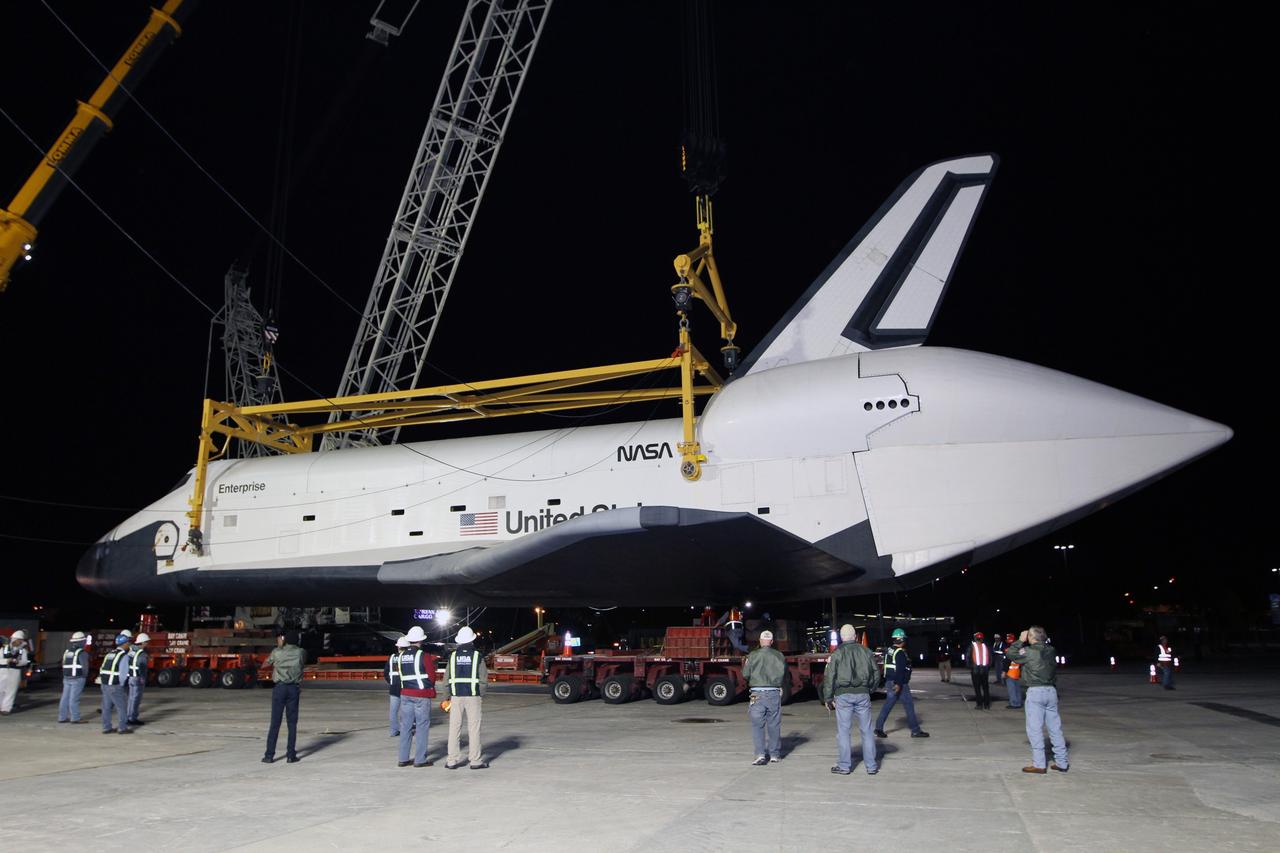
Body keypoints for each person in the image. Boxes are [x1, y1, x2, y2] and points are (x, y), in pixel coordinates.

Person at [1007, 626, 1068, 773]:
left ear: (1031, 637)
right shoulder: (1051, 650)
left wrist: (1020, 641)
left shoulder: (1028, 651)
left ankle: (1039, 764)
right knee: (1055, 729)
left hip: (1036, 691)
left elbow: (1011, 654)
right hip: (1051, 691)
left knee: (1034, 729)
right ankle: (1062, 762)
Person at [822, 624, 879, 776]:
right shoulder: (865, 651)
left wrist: (828, 697)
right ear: (855, 637)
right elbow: (876, 673)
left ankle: (845, 766)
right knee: (867, 731)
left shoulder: (837, 653)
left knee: (843, 732)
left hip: (843, 696)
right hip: (863, 694)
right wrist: (870, 689)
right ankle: (871, 766)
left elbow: (830, 677)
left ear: (841, 638)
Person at [441, 625, 489, 770]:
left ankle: (452, 760)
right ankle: (475, 760)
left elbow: (446, 678)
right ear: (472, 640)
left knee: (454, 728)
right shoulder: (477, 656)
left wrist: (446, 697)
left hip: (456, 696)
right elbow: (484, 678)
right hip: (473, 696)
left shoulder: (453, 656)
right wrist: (480, 694)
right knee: (474, 728)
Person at [740, 629, 786, 765]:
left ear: (760, 641)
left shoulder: (752, 656)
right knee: (774, 724)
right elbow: (784, 674)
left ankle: (760, 754)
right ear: (771, 642)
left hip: (756, 694)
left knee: (757, 724)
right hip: (773, 693)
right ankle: (774, 755)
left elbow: (745, 674)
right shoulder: (779, 656)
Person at [875, 628, 929, 739]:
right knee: (909, 706)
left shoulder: (889, 650)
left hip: (890, 682)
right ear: (902, 639)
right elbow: (900, 670)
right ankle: (915, 730)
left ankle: (878, 728)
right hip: (900, 684)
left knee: (887, 706)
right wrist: (899, 684)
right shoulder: (899, 653)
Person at [396, 625, 437, 768]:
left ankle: (403, 758)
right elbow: (432, 677)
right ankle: (420, 760)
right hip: (421, 695)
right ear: (421, 640)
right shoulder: (424, 656)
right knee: (421, 727)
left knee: (406, 726)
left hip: (405, 694)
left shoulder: (401, 656)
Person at [262, 629, 305, 764]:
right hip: (293, 689)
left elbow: (265, 664)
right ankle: (290, 755)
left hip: (279, 689)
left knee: (275, 723)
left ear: (284, 639)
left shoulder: (277, 652)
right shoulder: (301, 652)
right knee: (292, 724)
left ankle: (269, 755)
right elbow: (302, 663)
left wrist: (280, 648)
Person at [98, 632, 133, 734]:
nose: (129, 644)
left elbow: (102, 668)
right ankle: (122, 728)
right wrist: (121, 685)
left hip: (105, 684)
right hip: (115, 685)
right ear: (125, 644)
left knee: (106, 707)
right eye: (128, 642)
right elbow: (123, 673)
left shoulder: (110, 654)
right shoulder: (124, 656)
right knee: (121, 707)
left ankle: (106, 727)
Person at [59, 631, 91, 723]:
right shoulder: (82, 652)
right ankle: (75, 718)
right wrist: (85, 677)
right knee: (74, 699)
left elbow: (63, 664)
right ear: (81, 642)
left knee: (65, 698)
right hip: (78, 678)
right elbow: (85, 666)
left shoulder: (67, 652)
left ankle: (62, 717)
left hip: (67, 677)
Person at [1, 631, 32, 714]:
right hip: (2, 671)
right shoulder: (3, 649)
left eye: (21, 640)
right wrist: (6, 660)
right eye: (19, 640)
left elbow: (25, 661)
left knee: (11, 691)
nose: (20, 642)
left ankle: (6, 709)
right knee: (0, 690)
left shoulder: (22, 651)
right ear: (14, 640)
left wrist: (17, 662)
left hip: (15, 672)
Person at [126, 632, 151, 726]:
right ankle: (132, 718)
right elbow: (143, 668)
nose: (147, 644)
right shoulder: (142, 654)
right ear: (143, 642)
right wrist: (143, 679)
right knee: (136, 699)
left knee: (131, 698)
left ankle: (128, 716)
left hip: (131, 677)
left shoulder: (131, 651)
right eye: (147, 642)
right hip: (138, 679)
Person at [387, 636, 408, 736]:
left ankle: (393, 731)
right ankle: (405, 730)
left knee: (393, 711)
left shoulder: (391, 657)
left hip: (394, 687)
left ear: (398, 647)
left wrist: (391, 681)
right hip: (405, 687)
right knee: (406, 710)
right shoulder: (406, 658)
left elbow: (386, 672)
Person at [970, 631, 991, 709]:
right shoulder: (986, 646)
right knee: (985, 688)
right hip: (984, 671)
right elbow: (990, 657)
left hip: (976, 671)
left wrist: (971, 667)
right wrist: (988, 667)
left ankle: (979, 704)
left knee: (977, 688)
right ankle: (987, 704)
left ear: (975, 638)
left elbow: (967, 657)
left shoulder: (972, 646)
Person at [1003, 633, 1023, 709]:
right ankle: (1019, 702)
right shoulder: (1020, 648)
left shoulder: (1009, 649)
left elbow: (1006, 661)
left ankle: (1014, 703)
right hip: (1017, 671)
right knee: (1017, 688)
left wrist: (1004, 671)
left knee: (1012, 689)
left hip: (1010, 672)